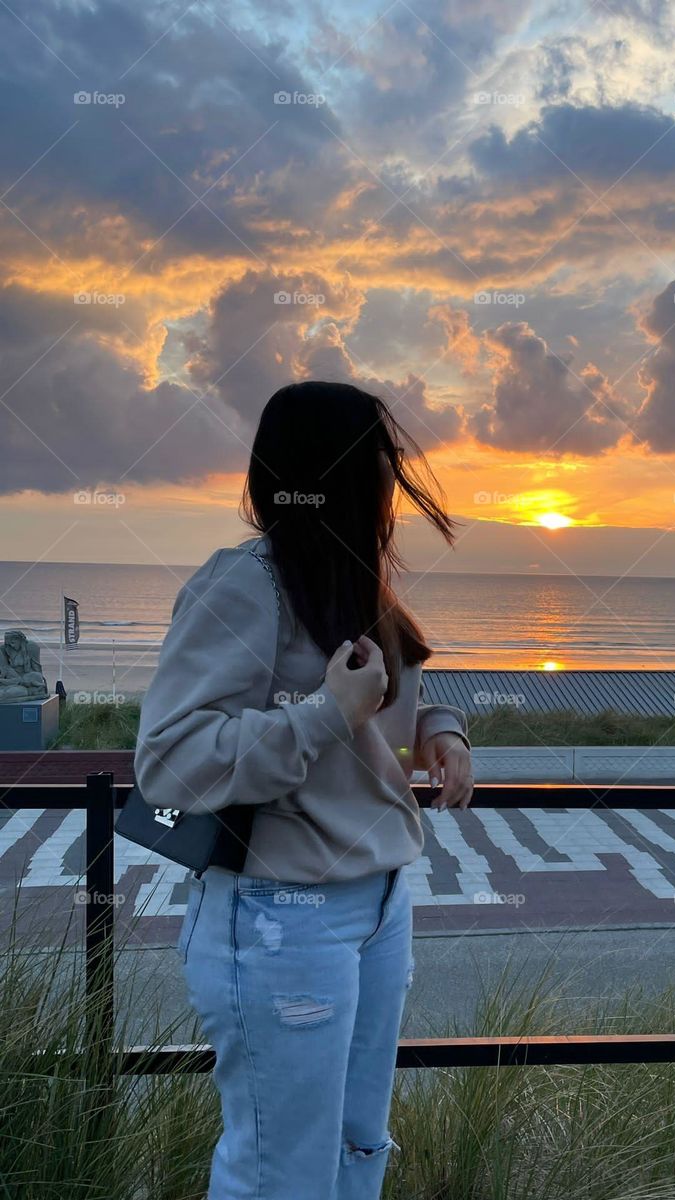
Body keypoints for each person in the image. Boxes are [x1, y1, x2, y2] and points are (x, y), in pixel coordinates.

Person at [135, 380, 474, 1200]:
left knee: (361, 1149)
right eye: (380, 465)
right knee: (280, 1173)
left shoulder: (350, 573)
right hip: (282, 918)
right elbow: (170, 760)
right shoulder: (249, 582)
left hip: (379, 903)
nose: (394, 485)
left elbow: (370, 711)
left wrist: (438, 727)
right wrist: (325, 715)